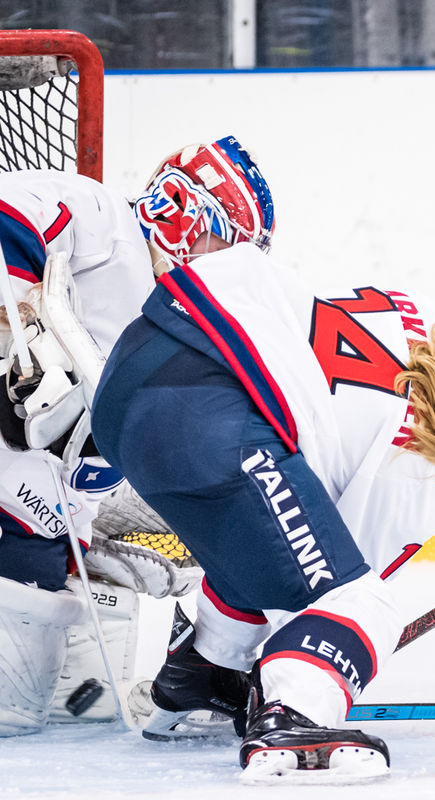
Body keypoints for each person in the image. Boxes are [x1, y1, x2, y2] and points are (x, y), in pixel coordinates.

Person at [88, 208, 435, 783]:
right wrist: (307, 665)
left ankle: (201, 675)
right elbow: (323, 592)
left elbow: (280, 550)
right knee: (362, 606)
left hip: (137, 371)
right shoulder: (431, 468)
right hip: (207, 420)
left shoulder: (421, 315)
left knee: (265, 550)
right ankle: (291, 718)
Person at [0, 136, 274, 736]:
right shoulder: (106, 222)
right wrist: (16, 339)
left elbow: (78, 452)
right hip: (14, 480)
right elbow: (10, 213)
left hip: (30, 485)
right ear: (181, 209)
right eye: (224, 244)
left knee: (27, 707)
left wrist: (86, 534)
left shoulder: (165, 329)